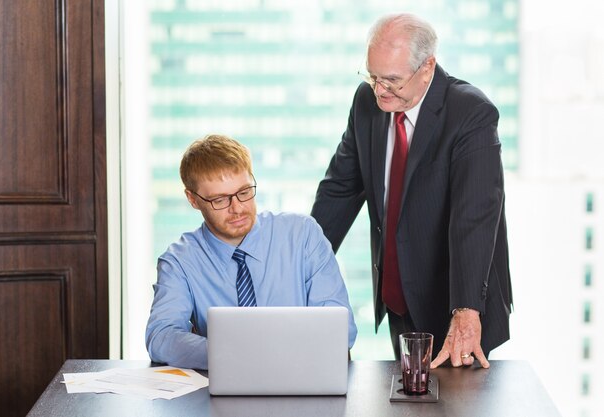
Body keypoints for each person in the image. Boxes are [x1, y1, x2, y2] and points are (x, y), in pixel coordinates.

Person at [311, 13, 512, 369]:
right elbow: (338, 190)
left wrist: (466, 311)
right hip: (399, 295)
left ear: (427, 67)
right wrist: (301, 262)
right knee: (408, 401)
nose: (379, 90)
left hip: (456, 301)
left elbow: (475, 218)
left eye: (391, 80)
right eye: (373, 77)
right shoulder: (366, 103)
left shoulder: (470, 112)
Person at [146, 134, 357, 370]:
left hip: (301, 383)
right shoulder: (180, 261)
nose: (237, 209)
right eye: (220, 200)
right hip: (221, 393)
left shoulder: (302, 235)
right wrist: (232, 356)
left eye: (244, 192)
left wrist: (262, 355)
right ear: (193, 199)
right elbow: (161, 336)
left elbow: (341, 330)